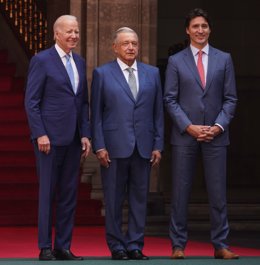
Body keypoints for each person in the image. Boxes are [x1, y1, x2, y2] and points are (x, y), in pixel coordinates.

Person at [164, 8, 239, 260]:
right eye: (195, 26)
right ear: (187, 30)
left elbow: (230, 99)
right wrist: (189, 126)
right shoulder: (176, 61)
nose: (200, 30)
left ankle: (221, 245)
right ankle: (178, 245)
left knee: (218, 192)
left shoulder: (224, 59)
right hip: (186, 135)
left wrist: (217, 126)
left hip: (216, 135)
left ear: (210, 29)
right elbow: (170, 99)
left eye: (204, 26)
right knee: (180, 192)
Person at [90, 27, 164, 260]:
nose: (131, 47)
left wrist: (158, 145)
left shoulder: (152, 73)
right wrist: (99, 146)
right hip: (112, 148)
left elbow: (158, 113)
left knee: (139, 198)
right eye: (125, 43)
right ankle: (116, 246)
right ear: (115, 47)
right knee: (113, 199)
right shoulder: (102, 74)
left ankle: (134, 244)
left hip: (143, 147)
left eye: (134, 43)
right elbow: (97, 114)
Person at [24, 15, 91, 261]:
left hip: (74, 139)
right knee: (48, 193)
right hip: (48, 140)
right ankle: (45, 247)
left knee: (69, 194)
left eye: (76, 31)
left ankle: (63, 246)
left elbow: (82, 102)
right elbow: (31, 102)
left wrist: (85, 134)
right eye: (68, 31)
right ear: (56, 34)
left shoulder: (80, 62)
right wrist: (40, 133)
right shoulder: (41, 60)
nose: (74, 35)